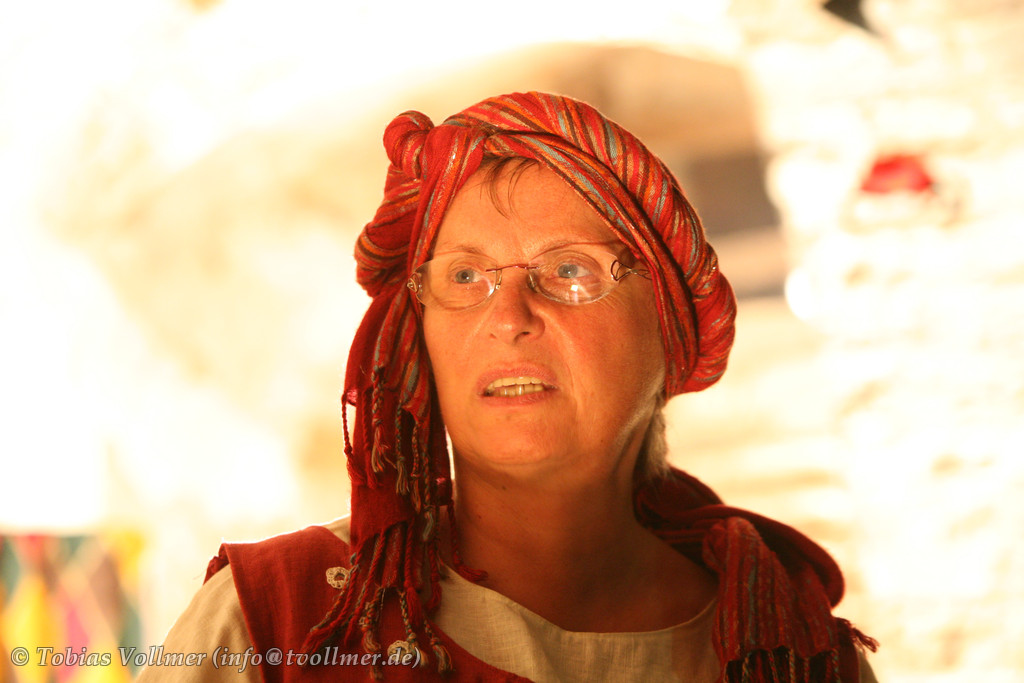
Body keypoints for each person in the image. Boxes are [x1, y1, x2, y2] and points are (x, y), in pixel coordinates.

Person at [140, 91, 877, 682]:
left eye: (570, 270)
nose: (508, 317)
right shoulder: (278, 620)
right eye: (465, 276)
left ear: (668, 327)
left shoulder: (791, 651)